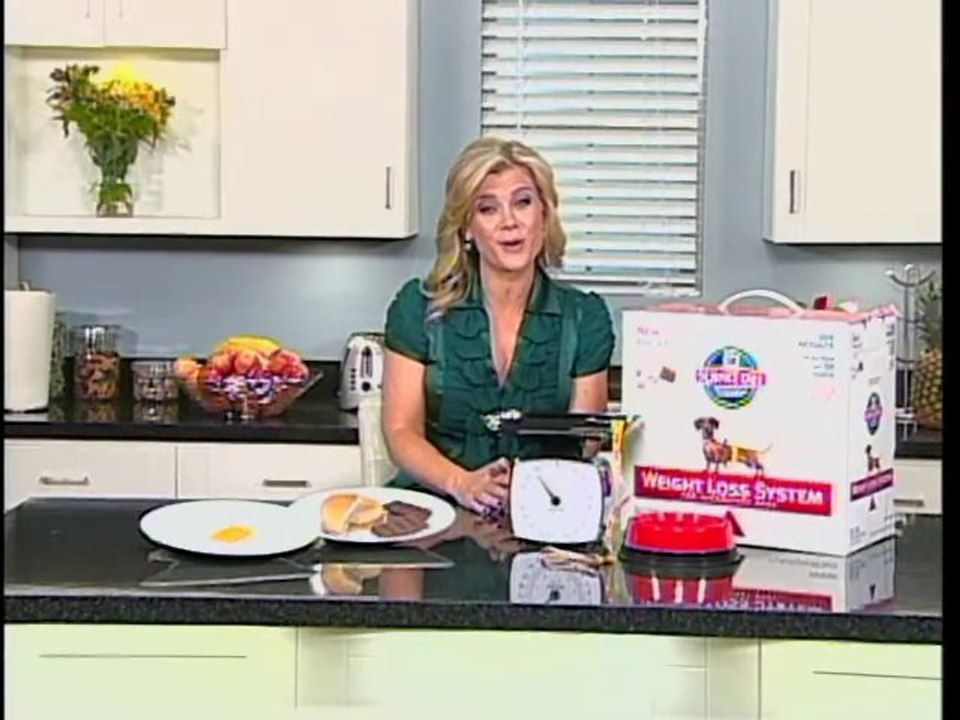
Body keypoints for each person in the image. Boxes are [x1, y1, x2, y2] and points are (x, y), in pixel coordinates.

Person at [381, 137, 615, 514]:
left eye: (523, 202)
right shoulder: (418, 309)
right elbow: (400, 432)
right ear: (467, 229)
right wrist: (462, 484)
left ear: (544, 215)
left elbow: (583, 443)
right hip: (436, 511)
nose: (509, 222)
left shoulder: (585, 318)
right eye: (488, 208)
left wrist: (525, 490)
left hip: (543, 511)